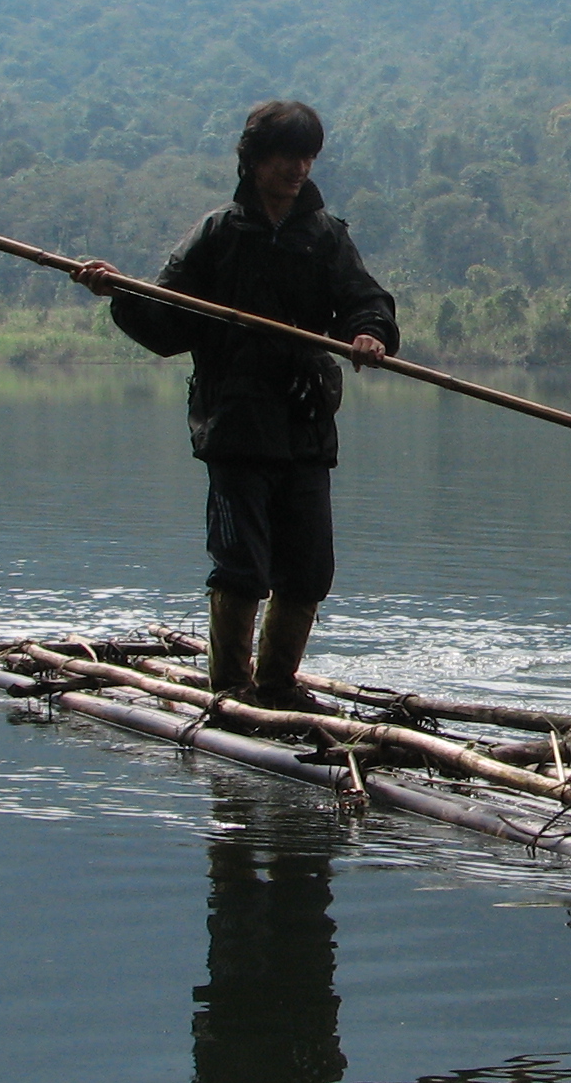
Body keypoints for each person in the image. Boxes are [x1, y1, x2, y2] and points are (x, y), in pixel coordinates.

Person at [73, 101, 397, 708]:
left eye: (307, 157)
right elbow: (167, 324)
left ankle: (276, 686)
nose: (298, 168)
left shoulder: (326, 236)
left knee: (308, 568)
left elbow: (365, 299)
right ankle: (230, 689)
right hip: (236, 423)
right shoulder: (217, 234)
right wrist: (117, 293)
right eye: (286, 156)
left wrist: (369, 333)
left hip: (305, 421)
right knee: (242, 563)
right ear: (252, 162)